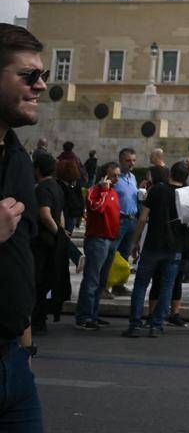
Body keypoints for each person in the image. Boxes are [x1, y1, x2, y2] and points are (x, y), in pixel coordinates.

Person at [0, 23, 45, 429]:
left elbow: (21, 253)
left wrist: (25, 348)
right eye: (28, 75)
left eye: (42, 75)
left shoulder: (18, 157)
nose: (41, 85)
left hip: (14, 364)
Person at [123, 161, 189, 338]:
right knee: (167, 287)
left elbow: (143, 218)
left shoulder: (157, 190)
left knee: (140, 285)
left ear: (171, 174)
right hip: (174, 247)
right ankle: (157, 325)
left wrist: (135, 242)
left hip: (153, 244)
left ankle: (135, 325)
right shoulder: (186, 194)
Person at [75, 162, 121, 331]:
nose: (116, 179)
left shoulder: (113, 192)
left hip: (110, 239)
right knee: (92, 280)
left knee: (101, 281)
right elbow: (97, 208)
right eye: (113, 176)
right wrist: (103, 190)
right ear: (104, 176)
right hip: (97, 240)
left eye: (118, 175)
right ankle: (84, 316)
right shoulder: (95, 191)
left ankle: (93, 314)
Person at [31, 152, 67, 334]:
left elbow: (45, 214)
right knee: (46, 281)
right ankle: (41, 318)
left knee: (37, 281)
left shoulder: (42, 189)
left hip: (43, 241)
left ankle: (37, 320)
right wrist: (61, 232)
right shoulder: (57, 187)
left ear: (37, 169)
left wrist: (57, 233)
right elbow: (60, 213)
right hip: (52, 241)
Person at [111, 146, 140, 296]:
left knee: (125, 254)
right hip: (119, 220)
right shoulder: (115, 178)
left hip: (132, 220)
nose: (132, 163)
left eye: (134, 160)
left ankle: (119, 285)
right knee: (111, 253)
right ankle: (105, 285)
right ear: (121, 161)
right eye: (128, 160)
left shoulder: (133, 177)